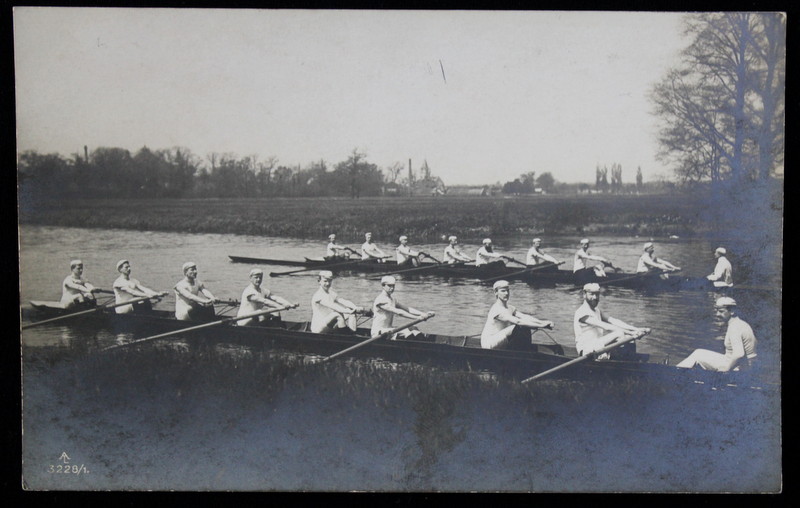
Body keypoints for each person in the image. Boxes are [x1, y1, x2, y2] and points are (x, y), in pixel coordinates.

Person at [676, 297, 756, 371]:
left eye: (721, 311)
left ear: (732, 311)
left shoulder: (735, 327)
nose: (717, 314)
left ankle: (675, 373)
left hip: (741, 369)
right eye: (717, 311)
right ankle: (678, 370)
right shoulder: (741, 323)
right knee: (699, 352)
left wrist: (726, 369)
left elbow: (739, 354)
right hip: (744, 365)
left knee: (697, 356)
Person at [573, 283, 650, 358]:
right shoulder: (582, 312)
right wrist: (632, 333)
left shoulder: (597, 310)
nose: (595, 297)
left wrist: (637, 329)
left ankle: (628, 362)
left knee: (628, 338)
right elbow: (606, 326)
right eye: (591, 294)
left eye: (597, 294)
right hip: (585, 350)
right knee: (619, 333)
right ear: (584, 294)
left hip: (597, 346)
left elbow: (613, 321)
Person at [480, 280, 554, 350]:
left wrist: (543, 322)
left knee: (525, 327)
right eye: (503, 291)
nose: (506, 293)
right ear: (496, 292)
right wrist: (541, 326)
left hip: (501, 340)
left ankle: (525, 353)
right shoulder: (496, 309)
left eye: (508, 290)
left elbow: (525, 317)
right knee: (518, 327)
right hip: (488, 344)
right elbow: (518, 321)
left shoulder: (510, 308)